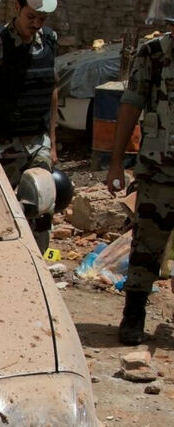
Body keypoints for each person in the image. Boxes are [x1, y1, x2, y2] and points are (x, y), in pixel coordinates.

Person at [106, 0, 174, 344]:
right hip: (159, 173)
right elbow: (130, 105)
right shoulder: (153, 56)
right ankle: (134, 316)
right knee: (146, 248)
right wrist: (116, 161)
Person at [0, 0, 58, 253]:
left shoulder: (49, 40)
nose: (37, 24)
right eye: (32, 17)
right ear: (17, 7)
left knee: (42, 207)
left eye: (42, 19)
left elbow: (52, 89)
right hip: (1, 142)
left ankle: (36, 264)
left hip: (37, 141)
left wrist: (52, 140)